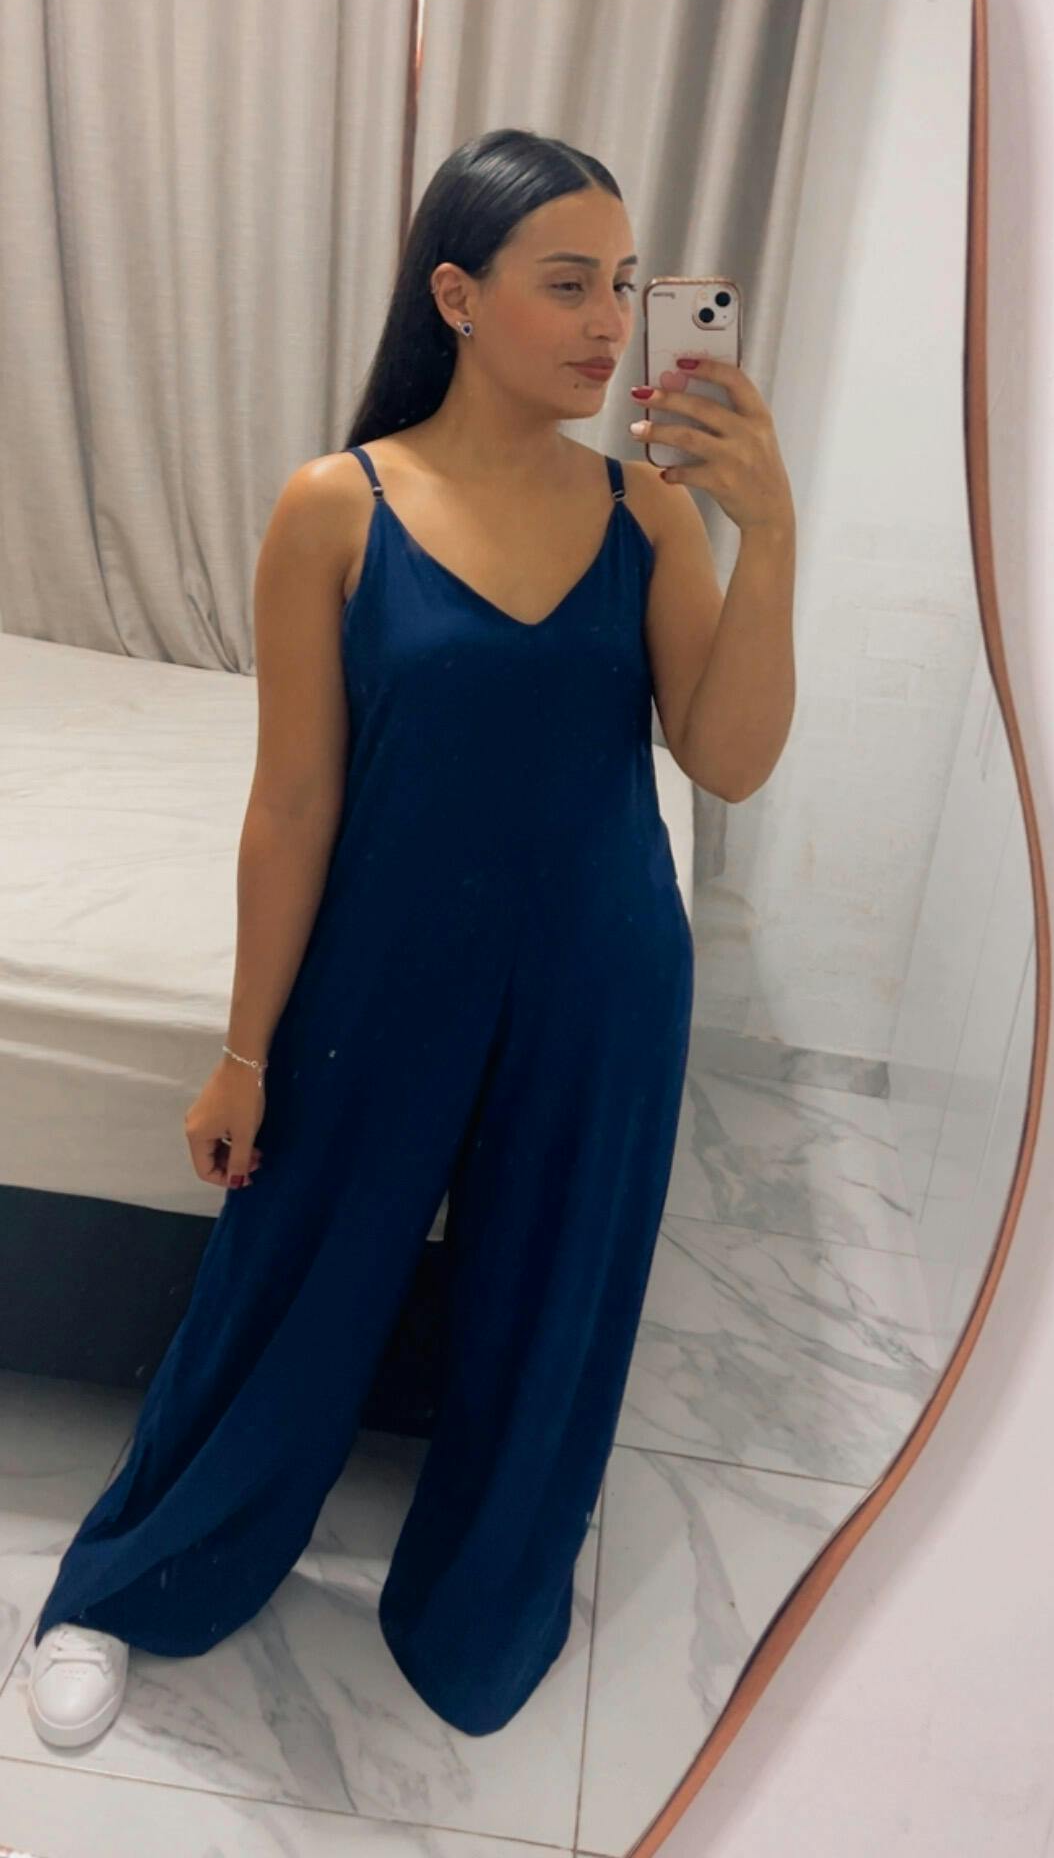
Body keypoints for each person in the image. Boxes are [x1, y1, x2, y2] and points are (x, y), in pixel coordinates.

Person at [28, 126, 729, 1744]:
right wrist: (241, 1053)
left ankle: (480, 1614)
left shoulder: (648, 514)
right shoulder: (336, 507)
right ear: (457, 297)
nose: (609, 323)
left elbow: (730, 758)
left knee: (554, 1308)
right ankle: (133, 1581)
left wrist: (756, 532)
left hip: (605, 978)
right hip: (383, 971)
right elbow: (290, 803)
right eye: (569, 284)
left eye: (624, 287)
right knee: (283, 1281)